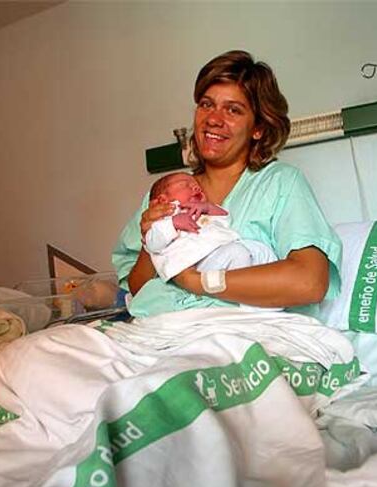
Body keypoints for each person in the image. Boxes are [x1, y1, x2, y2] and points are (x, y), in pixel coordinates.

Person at [112, 50, 342, 319]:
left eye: (233, 109)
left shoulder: (280, 183)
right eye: (207, 104)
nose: (213, 119)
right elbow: (139, 291)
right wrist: (151, 240)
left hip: (248, 335)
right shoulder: (167, 192)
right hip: (170, 333)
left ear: (258, 128)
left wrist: (197, 282)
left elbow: (309, 282)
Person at [144, 171, 280, 283]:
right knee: (238, 253)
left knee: (261, 251)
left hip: (218, 254)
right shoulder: (164, 217)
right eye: (186, 185)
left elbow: (224, 219)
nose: (196, 188)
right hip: (195, 265)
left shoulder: (202, 211)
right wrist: (173, 224)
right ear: (163, 200)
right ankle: (244, 302)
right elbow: (152, 244)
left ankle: (269, 297)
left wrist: (208, 207)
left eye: (197, 186)